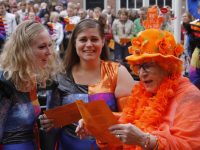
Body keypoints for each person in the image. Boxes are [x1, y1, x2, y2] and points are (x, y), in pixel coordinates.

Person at [76, 14, 200, 150]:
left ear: (167, 65)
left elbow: (190, 145)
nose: (141, 73)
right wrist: (99, 130)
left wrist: (145, 140)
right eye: (138, 67)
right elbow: (121, 141)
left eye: (147, 65)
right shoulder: (141, 94)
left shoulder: (190, 96)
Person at [40, 18, 134, 150]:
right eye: (83, 39)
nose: (89, 44)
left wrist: (98, 120)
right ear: (74, 43)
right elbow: (53, 128)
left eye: (94, 39)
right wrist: (48, 124)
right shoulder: (60, 76)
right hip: (68, 145)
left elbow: (132, 118)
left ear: (103, 41)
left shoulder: (119, 72)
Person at [0, 20, 60, 150]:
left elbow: (43, 128)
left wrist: (50, 122)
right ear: (24, 50)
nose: (49, 52)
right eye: (42, 47)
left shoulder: (31, 78)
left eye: (49, 45)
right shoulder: (4, 83)